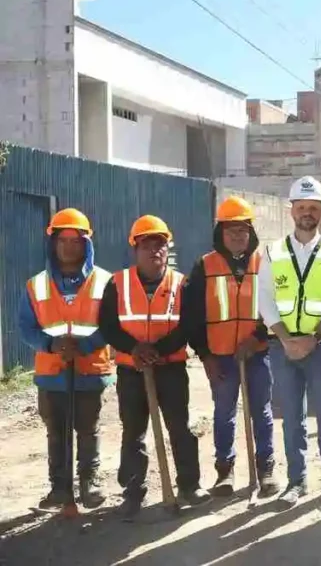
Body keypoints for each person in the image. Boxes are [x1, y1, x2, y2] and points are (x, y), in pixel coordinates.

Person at [98, 215, 211, 519]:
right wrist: (135, 349)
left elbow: (188, 325)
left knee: (180, 429)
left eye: (160, 245)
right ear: (135, 249)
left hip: (170, 368)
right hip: (131, 370)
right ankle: (133, 492)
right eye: (148, 245)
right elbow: (107, 325)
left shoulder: (181, 283)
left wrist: (158, 351)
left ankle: (189, 485)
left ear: (167, 249)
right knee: (133, 432)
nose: (155, 251)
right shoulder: (117, 283)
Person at [258, 176, 321, 510]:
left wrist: (314, 337)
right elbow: (264, 298)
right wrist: (285, 338)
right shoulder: (272, 252)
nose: (307, 213)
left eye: (313, 208)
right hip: (282, 349)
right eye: (302, 207)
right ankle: (296, 482)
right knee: (292, 419)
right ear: (291, 211)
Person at [182, 196, 278, 498]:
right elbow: (192, 316)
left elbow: (276, 308)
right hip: (221, 358)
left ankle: (266, 470)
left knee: (261, 411)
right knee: (224, 413)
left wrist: (258, 338)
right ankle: (225, 471)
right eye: (231, 230)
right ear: (220, 233)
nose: (237, 236)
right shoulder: (204, 266)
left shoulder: (264, 265)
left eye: (243, 230)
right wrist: (206, 356)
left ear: (251, 233)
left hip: (256, 354)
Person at [18, 209, 113, 510]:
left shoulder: (104, 281)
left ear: (86, 244)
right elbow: (25, 327)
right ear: (53, 244)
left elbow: (112, 324)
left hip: (89, 371)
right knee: (56, 432)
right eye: (63, 240)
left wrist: (85, 347)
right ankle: (59, 488)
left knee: (87, 429)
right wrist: (51, 344)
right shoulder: (36, 285)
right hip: (51, 373)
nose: (69, 246)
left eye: (76, 240)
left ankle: (89, 483)